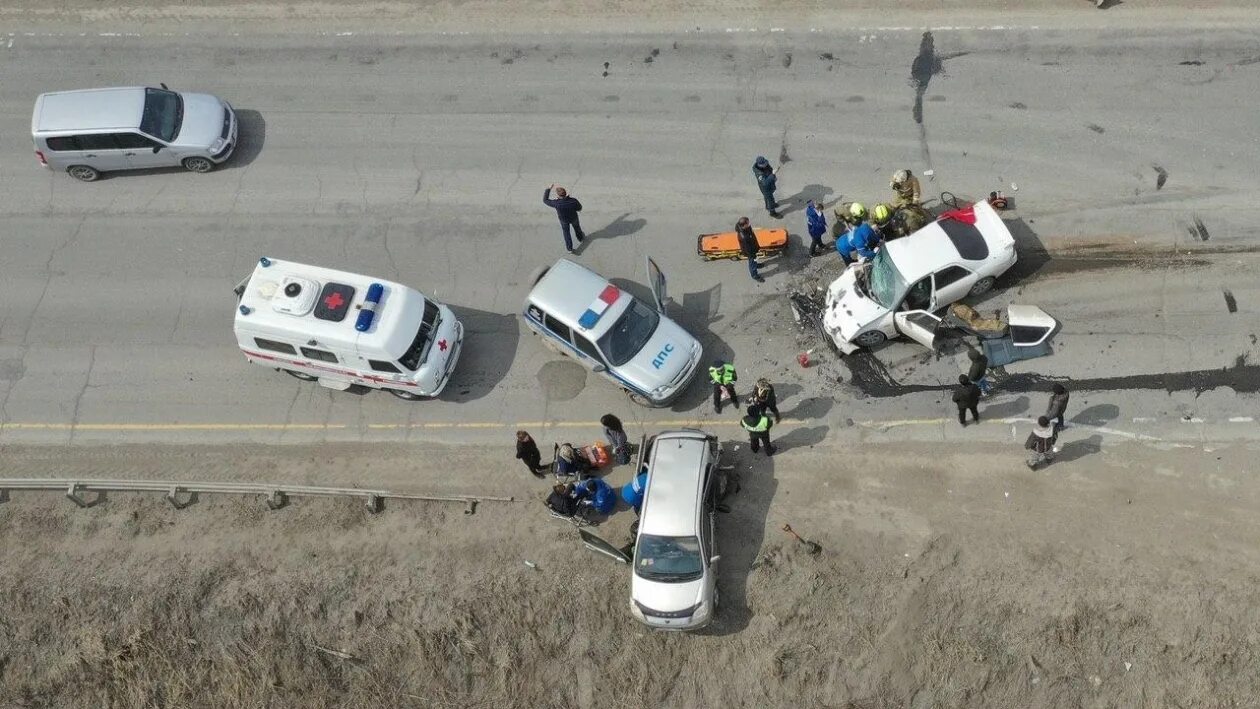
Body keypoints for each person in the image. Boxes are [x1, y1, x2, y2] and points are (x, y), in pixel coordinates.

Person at [543, 184, 585, 253]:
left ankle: (569, 249)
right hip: (574, 218)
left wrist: (548, 189)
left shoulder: (556, 203)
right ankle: (580, 238)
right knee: (577, 228)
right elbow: (579, 208)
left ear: (558, 196)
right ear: (565, 193)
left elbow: (545, 200)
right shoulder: (573, 200)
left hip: (564, 220)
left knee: (566, 233)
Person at [736, 217, 763, 282]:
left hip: (753, 248)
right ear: (744, 225)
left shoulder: (744, 228)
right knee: (752, 262)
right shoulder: (744, 237)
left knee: (754, 260)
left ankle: (756, 265)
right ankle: (754, 275)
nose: (749, 224)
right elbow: (748, 248)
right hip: (750, 252)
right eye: (747, 223)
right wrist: (752, 254)